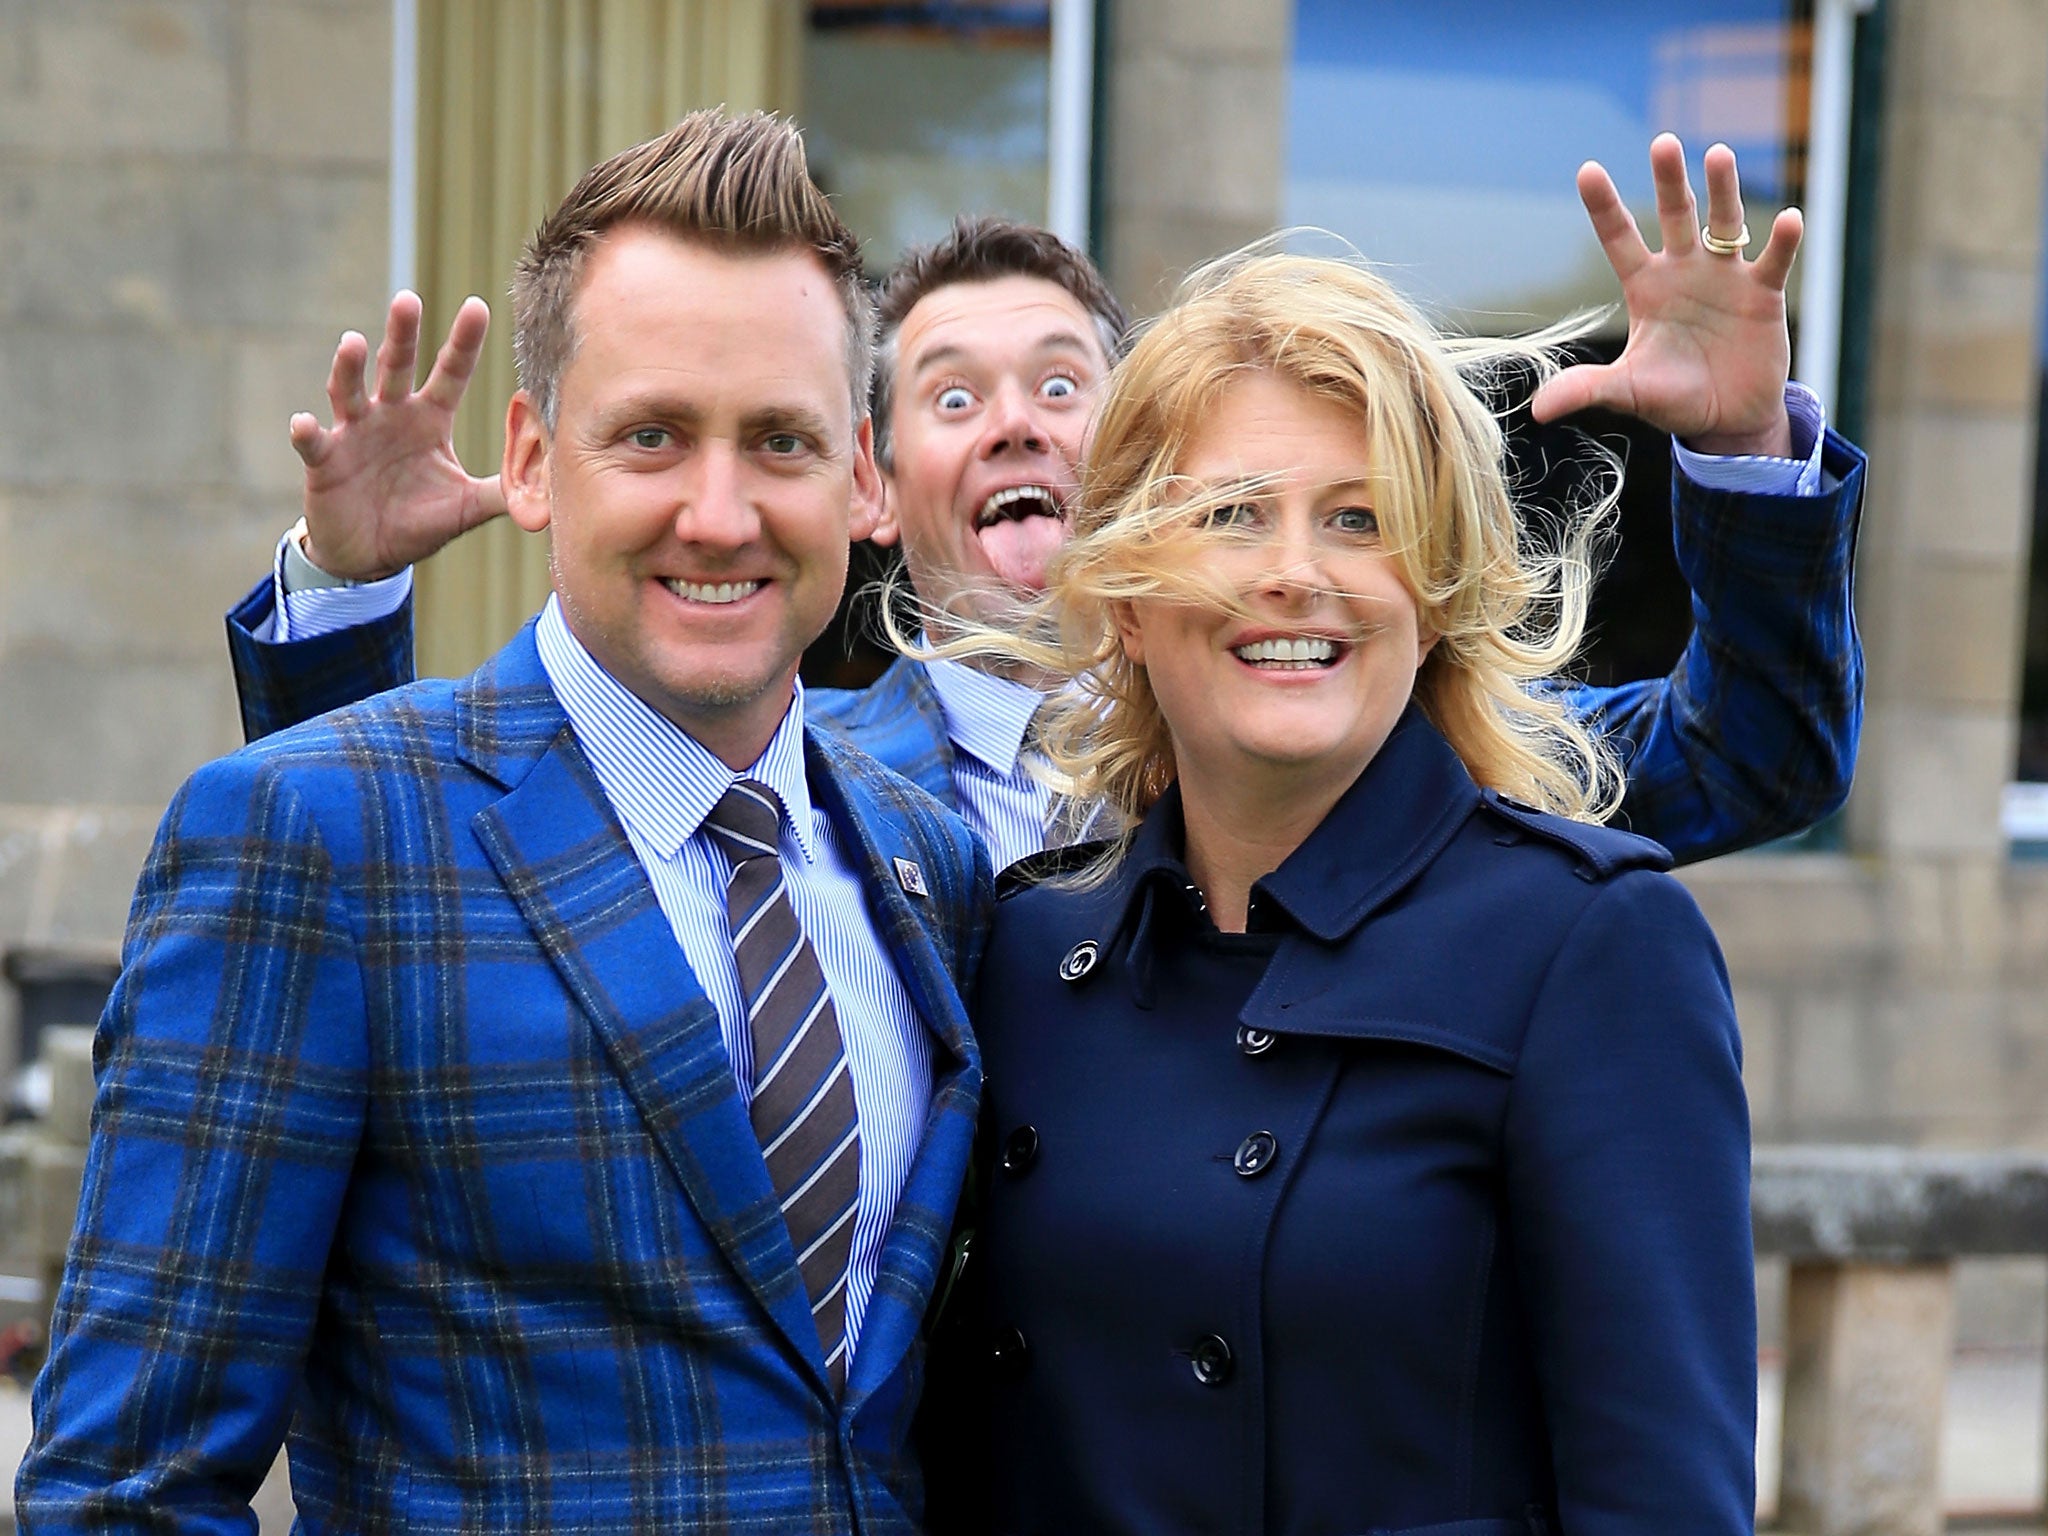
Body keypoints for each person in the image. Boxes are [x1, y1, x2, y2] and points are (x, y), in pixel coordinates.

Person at [17, 111, 990, 1534]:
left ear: (861, 481)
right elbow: (125, 1492)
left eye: (778, 440)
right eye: (651, 435)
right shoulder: (308, 844)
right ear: (532, 460)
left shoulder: (931, 862)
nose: (718, 514)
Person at [226, 136, 1864, 868]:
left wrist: (1735, 452)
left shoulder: (1334, 722)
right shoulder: (777, 784)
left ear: (1138, 459)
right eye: (951, 394)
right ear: (872, 489)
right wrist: (345, 594)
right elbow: (444, 867)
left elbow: (1751, 755)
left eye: (1062, 385)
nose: (1012, 419)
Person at [926, 247, 1756, 1534]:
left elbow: (1661, 1506)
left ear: (1430, 600)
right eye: (1232, 513)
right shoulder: (1029, 950)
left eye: (1359, 520)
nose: (1294, 572)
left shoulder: (1584, 946)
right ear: (1129, 601)